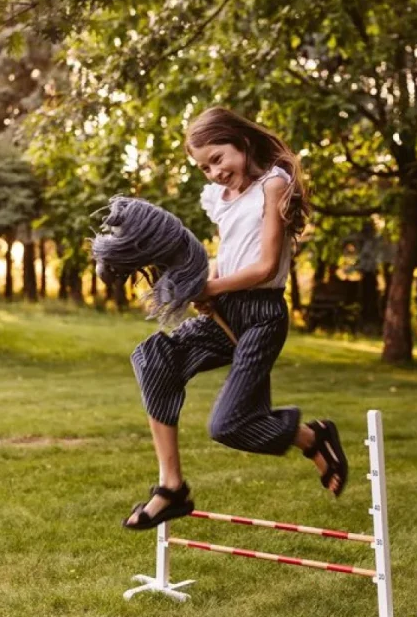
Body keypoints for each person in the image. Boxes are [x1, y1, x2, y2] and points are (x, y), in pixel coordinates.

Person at [124, 106, 348, 530]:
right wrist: (208, 283)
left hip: (261, 317)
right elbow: (228, 254)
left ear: (241, 143)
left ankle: (312, 437)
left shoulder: (273, 185)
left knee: (228, 425)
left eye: (218, 157)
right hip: (226, 312)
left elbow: (263, 266)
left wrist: (210, 289)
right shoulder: (219, 200)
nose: (213, 171)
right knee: (152, 356)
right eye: (204, 166)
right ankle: (171, 488)